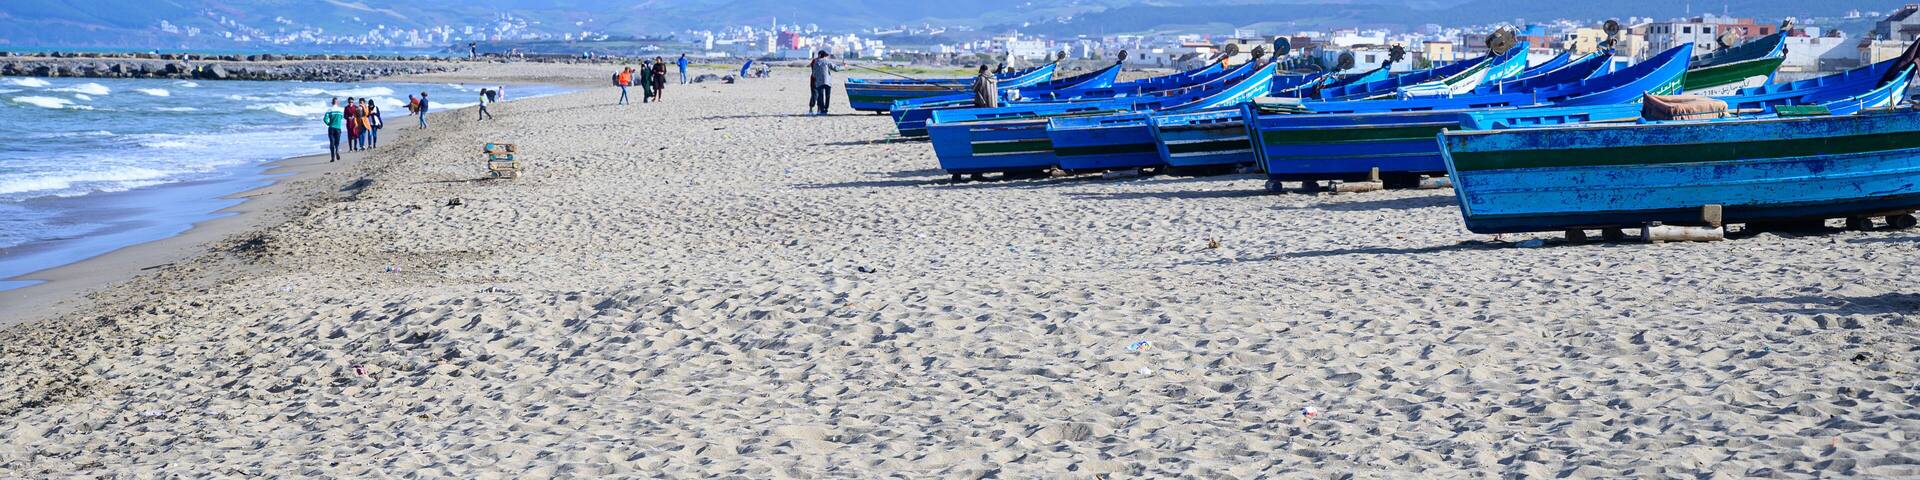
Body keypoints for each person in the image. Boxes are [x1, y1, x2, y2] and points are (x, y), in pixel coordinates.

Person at [809, 50, 840, 115]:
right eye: (825, 56)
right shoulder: (824, 61)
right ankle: (820, 109)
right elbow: (836, 68)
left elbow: (813, 72)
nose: (826, 57)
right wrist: (843, 67)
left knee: (819, 95)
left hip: (817, 80)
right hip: (822, 81)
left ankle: (819, 109)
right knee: (821, 95)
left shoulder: (816, 61)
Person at [323, 98, 344, 162]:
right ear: (337, 103)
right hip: (338, 128)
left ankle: (332, 157)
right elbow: (341, 118)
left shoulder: (329, 110)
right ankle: (337, 150)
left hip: (331, 128)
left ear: (332, 103)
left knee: (332, 142)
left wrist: (328, 123)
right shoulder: (340, 110)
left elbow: (325, 119)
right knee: (337, 142)